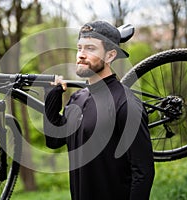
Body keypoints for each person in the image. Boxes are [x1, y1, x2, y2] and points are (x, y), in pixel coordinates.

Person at [43, 20, 155, 200]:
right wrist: (52, 97)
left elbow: (143, 172)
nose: (81, 55)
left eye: (90, 48)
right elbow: (53, 140)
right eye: (79, 48)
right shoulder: (76, 99)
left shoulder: (125, 103)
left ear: (110, 56)